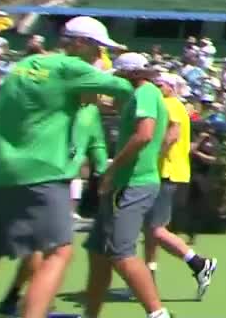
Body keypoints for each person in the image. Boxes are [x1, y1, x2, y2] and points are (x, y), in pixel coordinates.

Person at [0, 17, 135, 318]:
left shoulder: (18, 68)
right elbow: (124, 89)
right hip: (42, 176)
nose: (100, 56)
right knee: (58, 254)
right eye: (98, 48)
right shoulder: (71, 68)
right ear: (81, 44)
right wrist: (104, 92)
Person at [0, 92, 110, 316]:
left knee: (44, 248)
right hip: (37, 178)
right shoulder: (52, 103)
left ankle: (17, 298)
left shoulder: (89, 112)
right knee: (52, 249)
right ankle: (35, 305)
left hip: (55, 182)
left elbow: (97, 145)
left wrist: (103, 172)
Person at [80, 53, 172, 318]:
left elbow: (144, 135)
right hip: (125, 184)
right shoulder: (141, 95)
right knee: (98, 252)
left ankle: (158, 315)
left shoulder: (144, 93)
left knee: (121, 254)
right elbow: (114, 106)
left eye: (119, 76)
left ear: (129, 75)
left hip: (133, 184)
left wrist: (111, 169)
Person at [142, 72, 218, 299]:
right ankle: (148, 280)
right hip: (166, 174)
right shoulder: (170, 103)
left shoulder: (170, 104)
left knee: (155, 229)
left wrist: (150, 157)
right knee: (151, 229)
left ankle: (199, 264)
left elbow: (172, 135)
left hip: (166, 173)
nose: (156, 87)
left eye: (160, 84)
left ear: (171, 87)